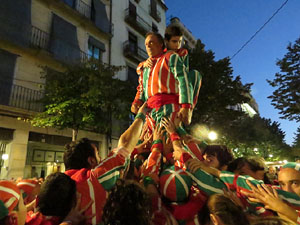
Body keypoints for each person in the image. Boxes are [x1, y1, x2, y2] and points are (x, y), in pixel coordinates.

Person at [64, 103, 148, 224]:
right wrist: (141, 114)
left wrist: (135, 150)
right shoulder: (93, 179)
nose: (101, 159)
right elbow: (125, 144)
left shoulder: (57, 185)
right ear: (91, 160)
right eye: (98, 154)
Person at [131, 32, 196, 129]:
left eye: (151, 42)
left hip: (169, 109)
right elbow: (141, 88)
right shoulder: (145, 68)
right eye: (146, 44)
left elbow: (183, 80)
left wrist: (186, 106)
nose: (148, 46)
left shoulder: (171, 57)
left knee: (170, 139)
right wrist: (136, 102)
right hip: (149, 114)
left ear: (160, 44)